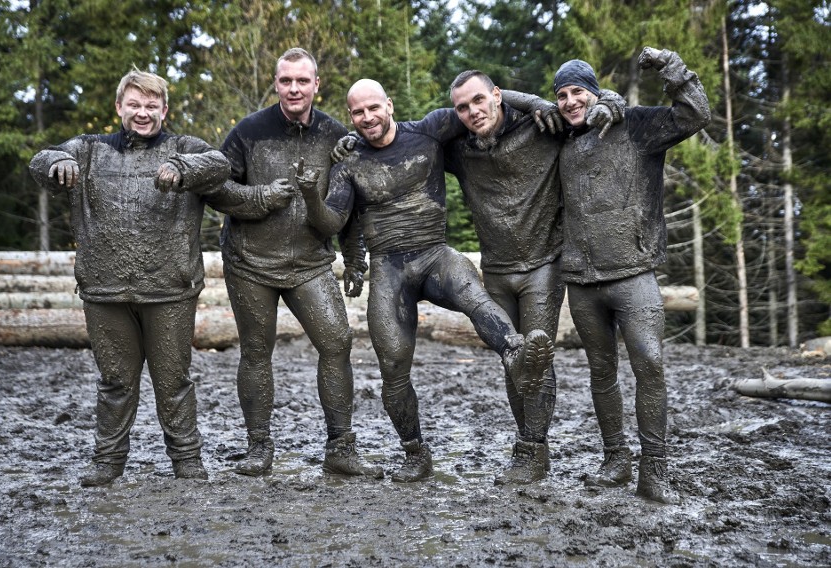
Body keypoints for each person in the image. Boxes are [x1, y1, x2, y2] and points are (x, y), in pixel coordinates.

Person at [297, 78, 554, 483]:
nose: (368, 118)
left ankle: (516, 354)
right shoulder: (348, 163)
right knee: (393, 366)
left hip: (434, 252)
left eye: (373, 108)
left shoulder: (431, 128)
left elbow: (482, 105)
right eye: (358, 112)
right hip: (389, 269)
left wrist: (538, 102)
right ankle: (415, 452)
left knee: (471, 290)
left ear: (390, 105)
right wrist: (311, 196)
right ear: (351, 117)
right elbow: (332, 221)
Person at [29, 68, 232, 486]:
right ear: (119, 107)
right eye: (134, 105)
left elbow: (219, 164)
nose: (143, 113)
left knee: (173, 380)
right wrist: (59, 159)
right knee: (115, 382)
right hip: (104, 289)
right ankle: (108, 461)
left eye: (152, 106)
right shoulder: (86, 149)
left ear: (165, 110)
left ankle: (187, 459)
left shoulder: (183, 146)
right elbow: (40, 160)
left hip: (169, 289)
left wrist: (182, 167)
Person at [445, 70, 625, 485]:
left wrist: (531, 101)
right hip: (496, 268)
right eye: (462, 107)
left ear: (496, 95)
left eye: (479, 100)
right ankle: (533, 451)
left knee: (536, 355)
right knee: (512, 360)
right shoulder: (458, 147)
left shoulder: (542, 125)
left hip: (543, 263)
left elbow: (594, 103)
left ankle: (530, 450)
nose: (473, 112)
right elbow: (408, 134)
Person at [209, 48, 381, 478]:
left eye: (302, 81)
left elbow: (350, 201)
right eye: (286, 81)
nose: (294, 88)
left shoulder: (335, 135)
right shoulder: (248, 131)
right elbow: (215, 188)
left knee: (337, 342)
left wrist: (355, 258)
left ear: (316, 85)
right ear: (276, 82)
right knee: (255, 351)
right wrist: (259, 198)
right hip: (250, 262)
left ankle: (341, 446)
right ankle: (259, 446)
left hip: (310, 263)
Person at [553, 48, 710, 503]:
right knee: (601, 373)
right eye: (561, 95)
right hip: (580, 281)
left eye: (577, 91)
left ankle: (654, 470)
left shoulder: (635, 126)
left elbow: (696, 114)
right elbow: (519, 103)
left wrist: (670, 64)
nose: (568, 101)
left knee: (650, 365)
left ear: (595, 92)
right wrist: (580, 102)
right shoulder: (559, 138)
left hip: (634, 273)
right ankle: (616, 460)